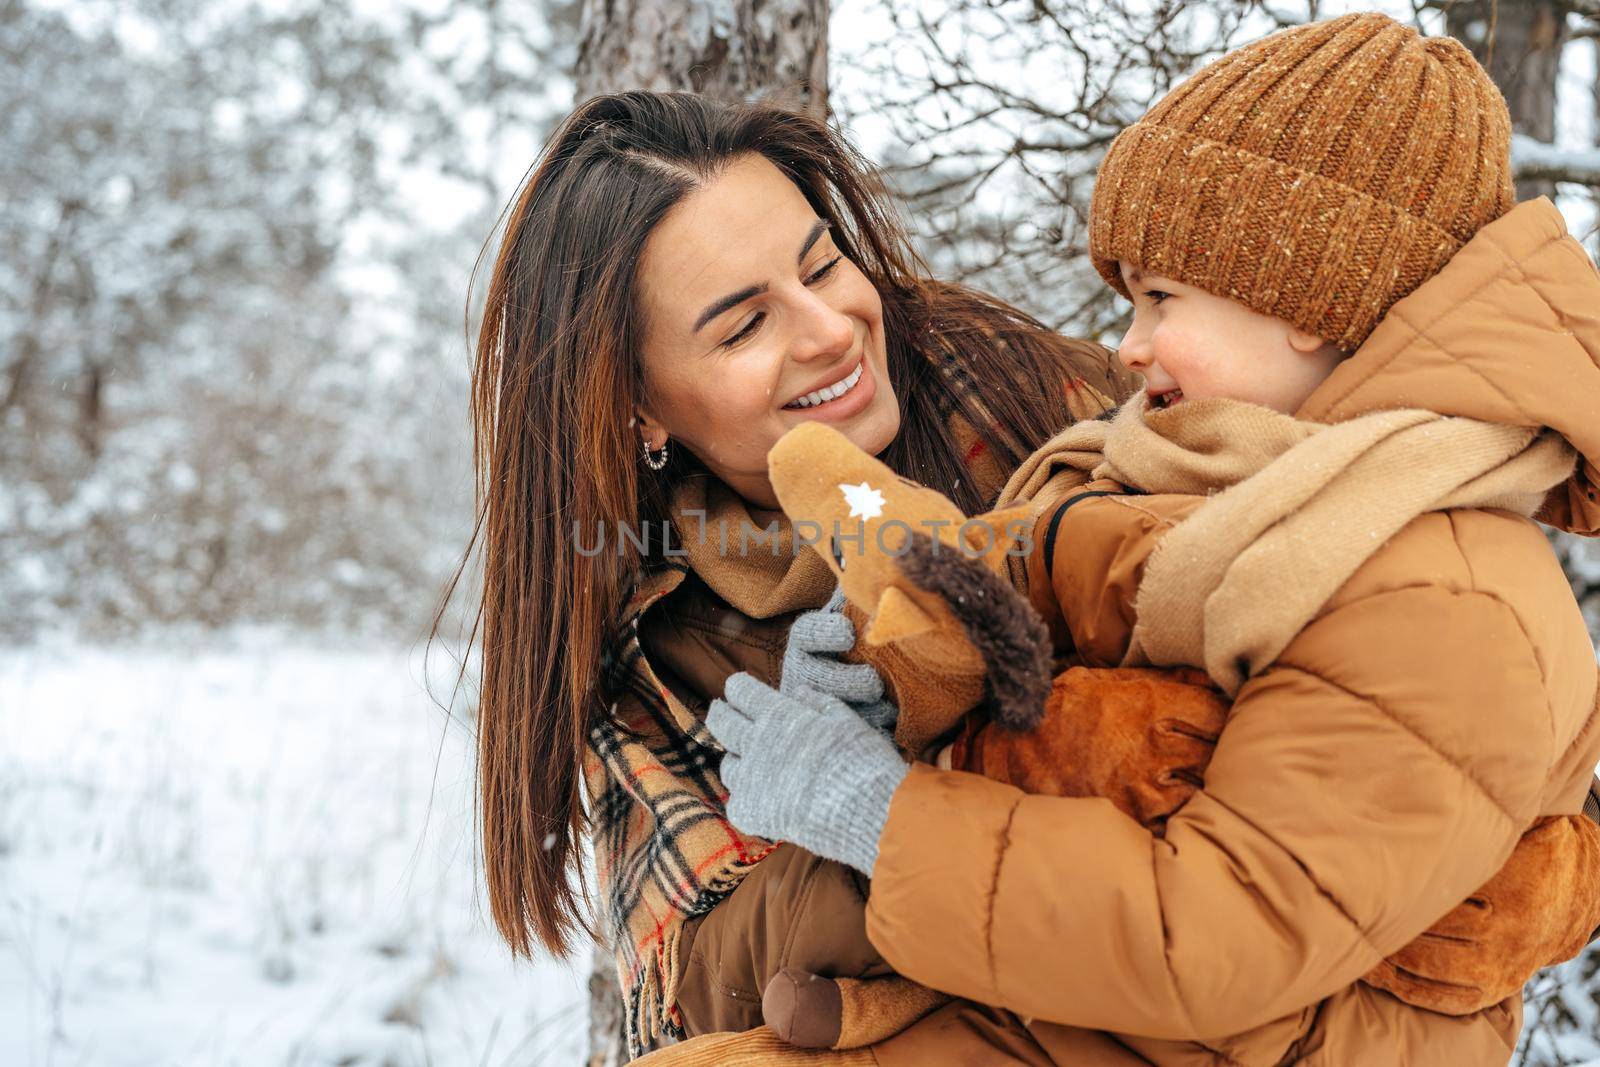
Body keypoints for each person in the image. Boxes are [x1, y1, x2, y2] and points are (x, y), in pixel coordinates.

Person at [704, 12, 1600, 1065]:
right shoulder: (1240, 505)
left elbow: (1214, 934)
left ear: (1301, 292)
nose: (1125, 348)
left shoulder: (1441, 593)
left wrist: (874, 810)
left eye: (1159, 297)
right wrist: (897, 678)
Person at [448, 87, 1131, 1059]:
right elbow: (702, 985)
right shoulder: (649, 648)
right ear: (637, 404)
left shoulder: (1013, 385)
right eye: (742, 327)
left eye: (822, 264)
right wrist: (841, 803)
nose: (831, 330)